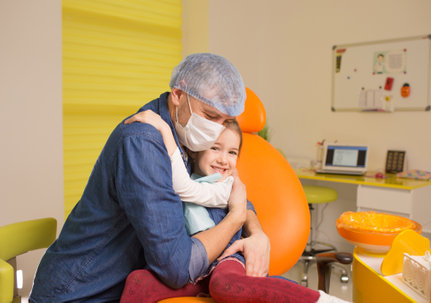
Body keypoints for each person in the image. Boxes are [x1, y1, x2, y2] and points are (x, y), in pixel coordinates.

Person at [29, 53, 270, 302]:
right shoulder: (143, 143)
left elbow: (229, 189)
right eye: (210, 116)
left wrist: (257, 234)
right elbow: (176, 266)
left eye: (226, 121)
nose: (216, 130)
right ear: (178, 95)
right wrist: (235, 218)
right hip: (78, 294)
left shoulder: (190, 131)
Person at [120, 115, 349, 303]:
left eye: (232, 152)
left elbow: (185, 188)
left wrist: (163, 128)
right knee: (138, 280)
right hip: (194, 269)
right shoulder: (191, 175)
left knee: (224, 284)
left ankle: (320, 300)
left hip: (226, 259)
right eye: (215, 148)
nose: (223, 159)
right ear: (195, 149)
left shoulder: (228, 185)